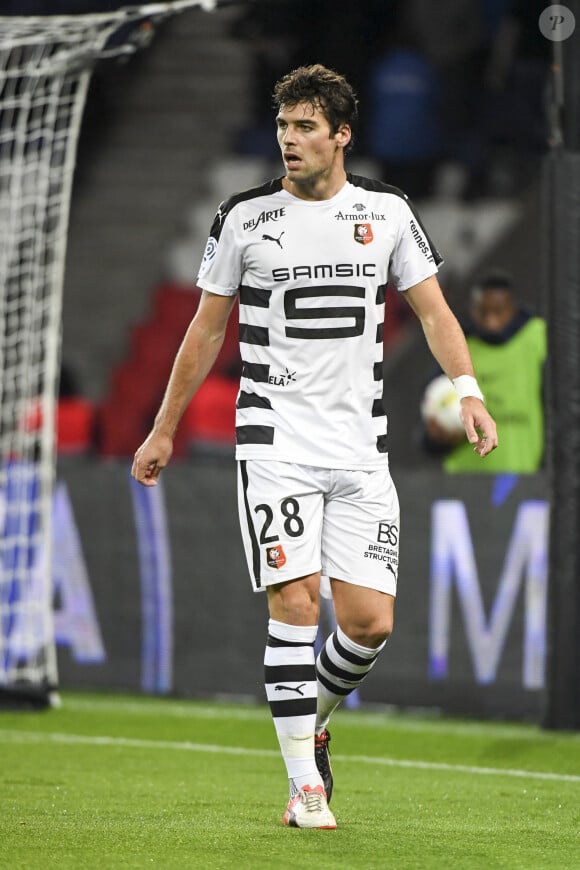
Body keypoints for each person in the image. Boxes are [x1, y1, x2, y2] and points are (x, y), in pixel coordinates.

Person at [131, 64, 498, 830]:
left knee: (368, 624)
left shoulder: (387, 213)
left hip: (361, 446)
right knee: (295, 602)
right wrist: (164, 425)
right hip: (275, 439)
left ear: (341, 135)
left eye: (305, 128)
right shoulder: (244, 218)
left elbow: (433, 314)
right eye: (283, 127)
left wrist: (469, 392)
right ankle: (305, 788)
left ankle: (309, 720)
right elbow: (206, 330)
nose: (289, 141)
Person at [422, 269, 545, 473]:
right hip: (466, 480)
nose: (491, 320)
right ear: (472, 308)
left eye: (498, 311)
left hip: (527, 478)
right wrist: (436, 438)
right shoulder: (457, 345)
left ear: (512, 308)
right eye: (483, 312)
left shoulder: (537, 338)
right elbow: (428, 431)